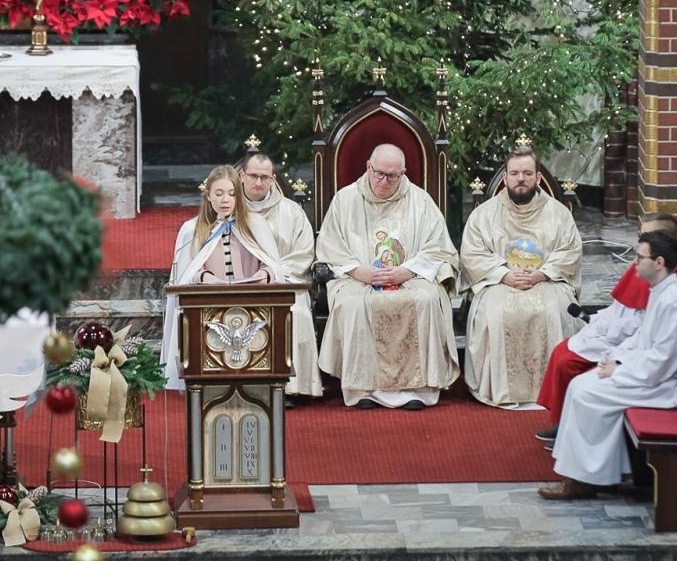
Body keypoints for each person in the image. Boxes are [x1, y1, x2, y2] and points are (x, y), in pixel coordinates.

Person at [539, 229, 677, 500]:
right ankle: (594, 473)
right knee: (581, 384)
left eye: (640, 257)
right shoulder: (662, 291)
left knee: (586, 393)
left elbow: (663, 360)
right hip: (651, 375)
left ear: (659, 263)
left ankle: (584, 480)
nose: (634, 263)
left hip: (667, 386)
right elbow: (642, 337)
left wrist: (620, 370)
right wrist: (615, 357)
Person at [314, 143, 459, 409]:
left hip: (410, 276)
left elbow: (439, 247)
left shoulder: (420, 200)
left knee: (426, 301)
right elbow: (330, 247)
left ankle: (417, 388)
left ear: (403, 173)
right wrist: (360, 272)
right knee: (353, 304)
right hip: (357, 278)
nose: (384, 181)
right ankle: (363, 389)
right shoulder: (346, 200)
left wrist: (408, 270)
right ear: (368, 166)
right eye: (379, 173)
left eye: (392, 176)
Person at [534, 212, 677, 441]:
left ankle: (576, 434)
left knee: (573, 372)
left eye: (646, 237)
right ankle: (566, 425)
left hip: (649, 374)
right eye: (640, 236)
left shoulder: (674, 296)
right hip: (626, 348)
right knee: (565, 354)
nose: (639, 246)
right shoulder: (653, 275)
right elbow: (627, 315)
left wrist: (618, 361)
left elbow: (650, 341)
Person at [459, 150, 582, 408]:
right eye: (514, 173)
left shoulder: (558, 213)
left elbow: (569, 252)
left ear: (538, 178)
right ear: (505, 178)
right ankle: (501, 390)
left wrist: (541, 274)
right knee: (494, 311)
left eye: (527, 173)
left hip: (546, 280)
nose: (520, 179)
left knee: (554, 310)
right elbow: (472, 254)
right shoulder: (484, 214)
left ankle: (550, 389)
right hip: (500, 281)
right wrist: (504, 274)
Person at [160, 165, 286, 391]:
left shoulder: (255, 225)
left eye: (231, 193)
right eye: (218, 194)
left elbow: (271, 263)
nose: (225, 200)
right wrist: (204, 277)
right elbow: (184, 274)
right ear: (208, 195)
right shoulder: (192, 230)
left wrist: (264, 274)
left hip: (249, 304)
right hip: (210, 306)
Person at [239, 151, 321, 399]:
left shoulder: (291, 212)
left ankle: (290, 388)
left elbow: (304, 254)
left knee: (295, 313)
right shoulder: (228, 208)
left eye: (264, 177)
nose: (258, 182)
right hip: (239, 285)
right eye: (253, 176)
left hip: (283, 283)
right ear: (242, 176)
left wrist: (271, 274)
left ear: (273, 179)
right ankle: (243, 385)